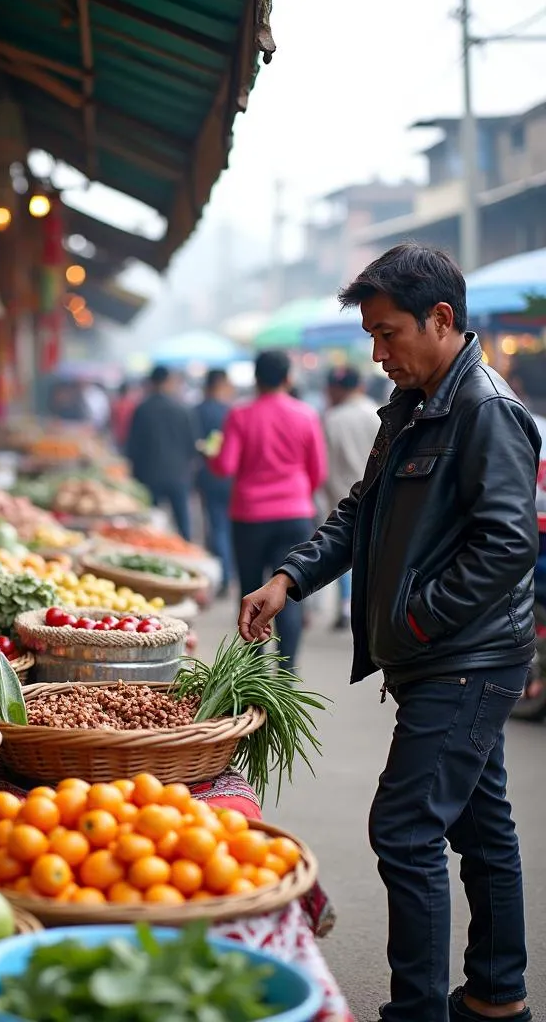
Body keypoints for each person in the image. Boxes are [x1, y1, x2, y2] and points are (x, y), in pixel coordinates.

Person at [239, 244, 537, 1022]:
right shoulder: (414, 404)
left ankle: (416, 1012)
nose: (377, 353)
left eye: (387, 333)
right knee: (481, 825)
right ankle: (498, 994)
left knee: (404, 831)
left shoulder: (485, 410)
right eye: (370, 336)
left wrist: (414, 616)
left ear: (441, 320)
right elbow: (357, 512)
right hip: (444, 655)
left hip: (465, 658)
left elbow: (509, 545)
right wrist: (289, 578)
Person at [209, 350, 326, 672]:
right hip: (294, 514)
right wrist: (299, 494)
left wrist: (211, 457)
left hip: (249, 516)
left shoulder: (240, 415)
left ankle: (255, 669)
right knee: (288, 589)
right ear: (288, 378)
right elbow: (318, 471)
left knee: (250, 590)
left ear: (256, 379)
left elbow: (226, 465)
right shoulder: (306, 415)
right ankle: (287, 672)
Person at [322, 366, 380, 630]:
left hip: (341, 494)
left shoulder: (332, 419)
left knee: (345, 549)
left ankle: (347, 605)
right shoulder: (376, 413)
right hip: (376, 494)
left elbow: (325, 465)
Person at [126, 365, 196, 541]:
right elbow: (193, 445)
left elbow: (133, 446)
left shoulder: (142, 409)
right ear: (167, 381)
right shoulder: (182, 409)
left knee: (150, 526)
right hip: (178, 475)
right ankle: (187, 557)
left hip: (150, 475)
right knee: (183, 524)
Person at [193, 369, 235, 596]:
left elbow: (195, 445)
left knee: (217, 526)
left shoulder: (196, 411)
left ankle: (224, 575)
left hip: (208, 477)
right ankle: (228, 573)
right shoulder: (230, 411)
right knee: (225, 527)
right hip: (229, 477)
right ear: (220, 384)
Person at [110, 380, 139, 451]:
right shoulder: (131, 405)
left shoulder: (115, 404)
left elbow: (112, 421)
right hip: (127, 435)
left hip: (118, 435)